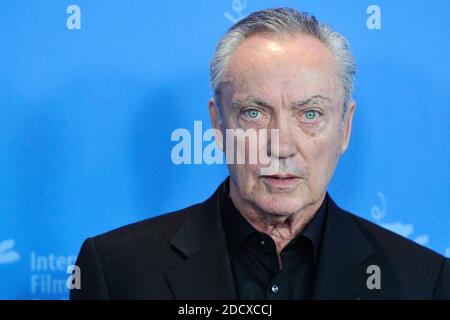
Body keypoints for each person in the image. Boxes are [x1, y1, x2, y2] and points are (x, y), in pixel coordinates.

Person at [70, 7, 449, 300]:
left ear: (345, 127)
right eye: (254, 113)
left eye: (310, 114)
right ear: (217, 125)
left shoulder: (425, 281)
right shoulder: (116, 272)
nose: (280, 146)